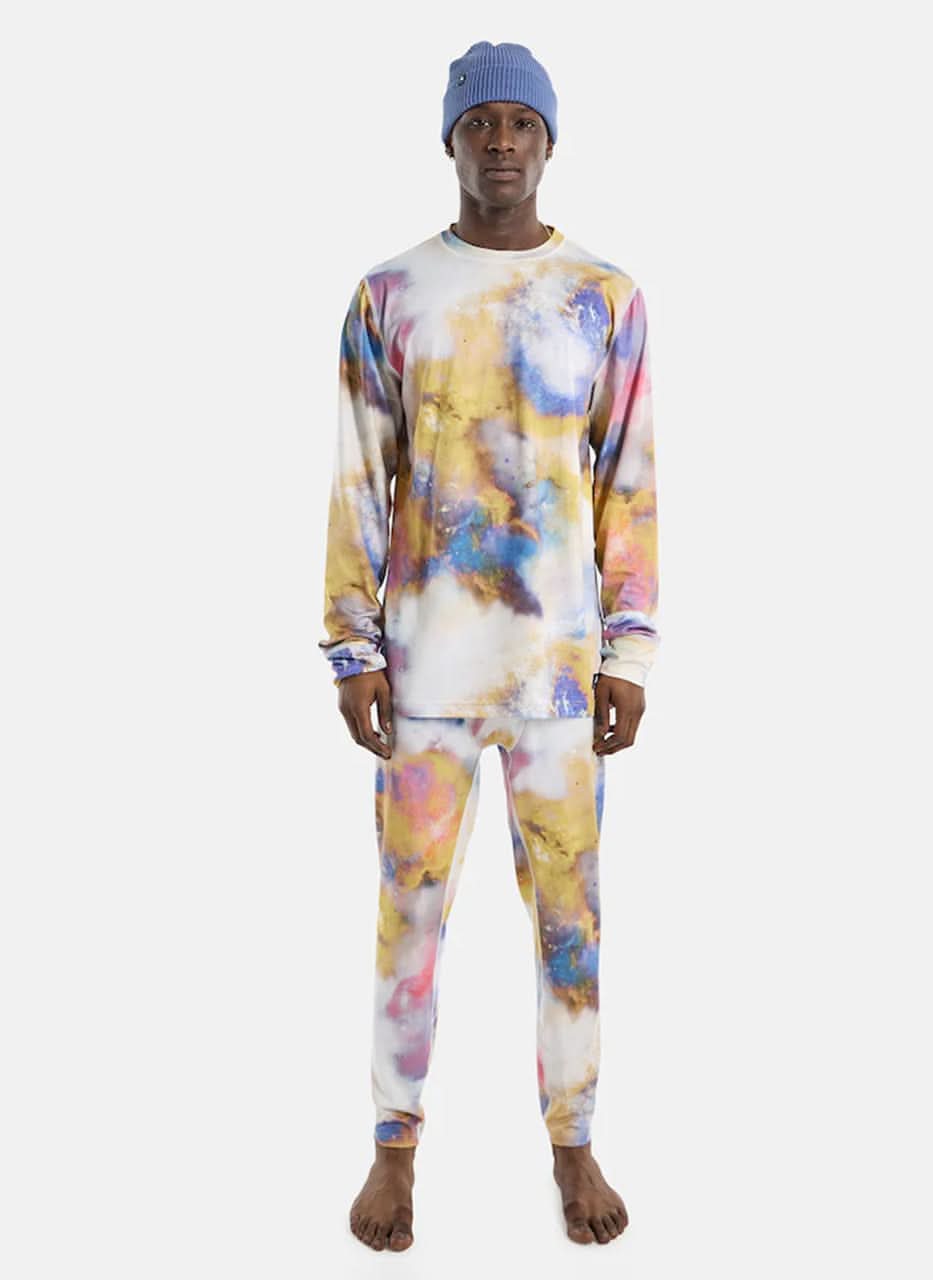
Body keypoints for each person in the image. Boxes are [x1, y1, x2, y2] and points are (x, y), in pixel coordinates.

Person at [319, 40, 660, 1250]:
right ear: (451, 140)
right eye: (481, 123)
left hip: (559, 676)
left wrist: (629, 649)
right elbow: (359, 475)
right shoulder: (391, 295)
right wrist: (351, 645)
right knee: (406, 915)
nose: (501, 141)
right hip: (423, 670)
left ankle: (574, 1140)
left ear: (548, 142)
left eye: (522, 122)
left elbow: (628, 480)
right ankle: (392, 1147)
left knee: (571, 923)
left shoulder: (604, 296)